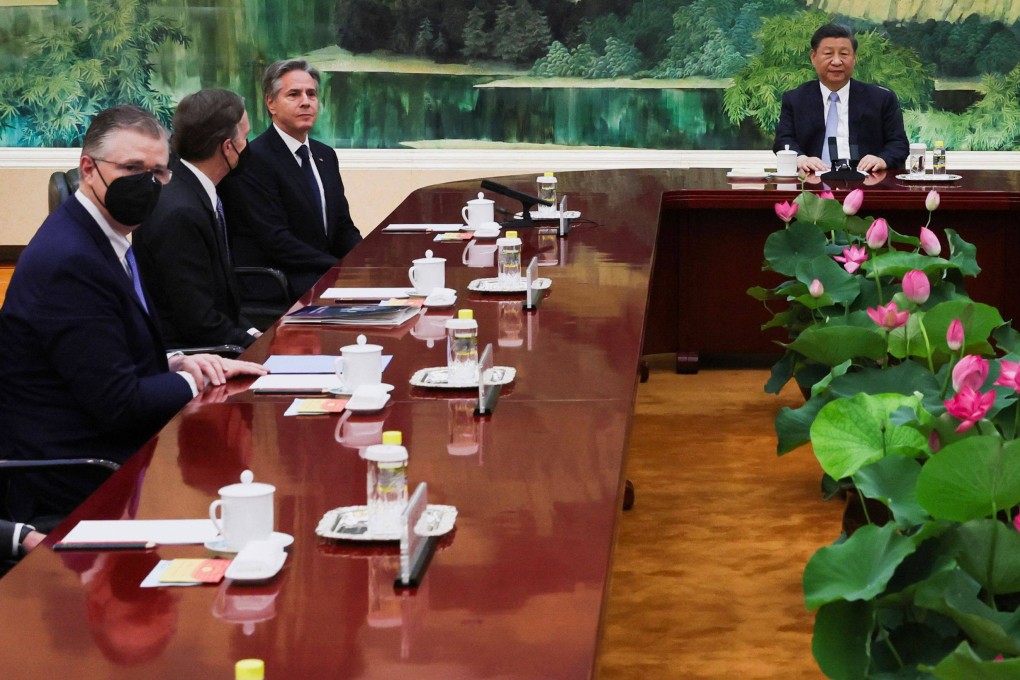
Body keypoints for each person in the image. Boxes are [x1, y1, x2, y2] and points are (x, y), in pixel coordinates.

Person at [0, 105, 267, 522]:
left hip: (119, 454)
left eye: (159, 172)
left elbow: (103, 359)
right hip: (81, 480)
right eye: (131, 168)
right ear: (88, 168)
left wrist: (177, 360)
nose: (148, 183)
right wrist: (190, 380)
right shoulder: (71, 261)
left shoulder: (109, 235)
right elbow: (118, 404)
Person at [220, 59, 362, 300]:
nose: (306, 102)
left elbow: (343, 227)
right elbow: (276, 241)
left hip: (324, 274)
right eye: (294, 94)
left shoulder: (325, 155)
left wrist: (367, 258)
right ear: (271, 102)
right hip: (283, 282)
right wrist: (340, 266)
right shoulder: (253, 159)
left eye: (312, 94)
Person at [133, 89, 260, 349]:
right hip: (195, 359)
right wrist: (261, 349)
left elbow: (218, 304)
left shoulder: (192, 188)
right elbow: (199, 322)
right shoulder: (180, 213)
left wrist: (256, 334)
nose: (248, 146)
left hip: (218, 340)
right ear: (228, 147)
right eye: (245, 137)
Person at [772, 23, 909, 175]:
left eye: (844, 54)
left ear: (854, 58)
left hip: (867, 185)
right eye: (828, 54)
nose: (837, 61)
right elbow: (783, 141)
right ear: (813, 57)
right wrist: (802, 159)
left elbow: (899, 144)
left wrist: (882, 159)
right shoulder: (795, 99)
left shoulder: (882, 99)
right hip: (811, 186)